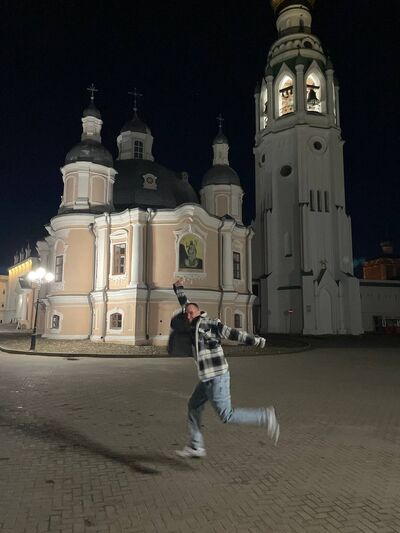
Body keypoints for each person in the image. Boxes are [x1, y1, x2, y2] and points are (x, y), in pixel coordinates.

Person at [172, 278, 280, 458]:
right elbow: (185, 305)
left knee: (226, 416)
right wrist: (178, 288)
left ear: (199, 312)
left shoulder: (210, 323)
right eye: (187, 314)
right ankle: (197, 446)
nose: (188, 316)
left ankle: (265, 416)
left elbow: (232, 333)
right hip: (206, 378)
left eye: (191, 313)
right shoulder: (192, 322)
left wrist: (255, 341)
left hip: (217, 378)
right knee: (193, 406)